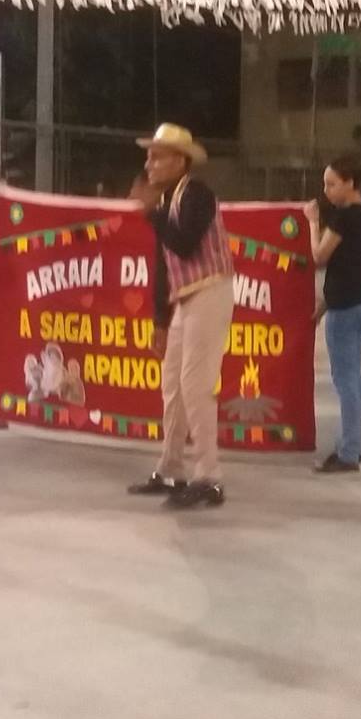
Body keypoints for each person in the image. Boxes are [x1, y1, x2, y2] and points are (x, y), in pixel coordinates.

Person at [127, 124, 234, 510]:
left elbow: (184, 243)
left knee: (194, 385)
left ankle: (209, 477)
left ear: (179, 161)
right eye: (149, 157)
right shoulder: (169, 198)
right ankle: (171, 468)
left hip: (210, 291)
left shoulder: (197, 194)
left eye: (156, 156)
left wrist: (151, 213)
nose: (149, 164)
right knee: (172, 384)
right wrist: (160, 320)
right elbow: (164, 265)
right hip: (186, 298)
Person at [306, 156, 361, 474]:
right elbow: (349, 264)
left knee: (345, 380)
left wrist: (312, 222)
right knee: (353, 379)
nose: (326, 190)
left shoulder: (345, 217)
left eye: (331, 184)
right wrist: (324, 303)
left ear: (350, 182)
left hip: (346, 307)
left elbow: (319, 257)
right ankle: (353, 445)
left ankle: (348, 453)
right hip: (360, 299)